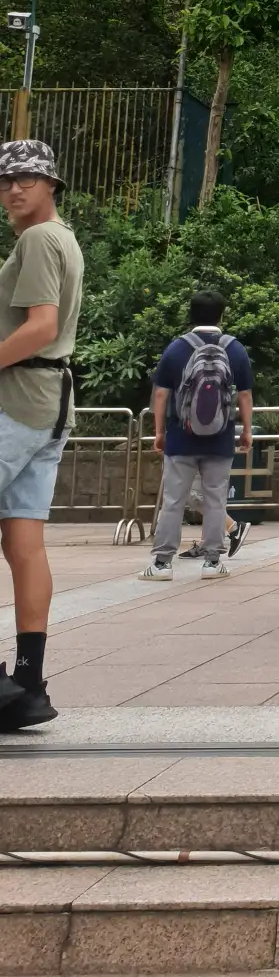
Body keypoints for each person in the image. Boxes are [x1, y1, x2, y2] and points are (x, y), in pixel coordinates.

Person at [0, 140, 84, 729]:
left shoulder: (37, 239)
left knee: (22, 543)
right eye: (5, 181)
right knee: (23, 543)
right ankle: (29, 684)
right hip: (50, 404)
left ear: (52, 184)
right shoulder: (64, 237)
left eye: (26, 179)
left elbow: (41, 326)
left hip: (17, 400)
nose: (12, 189)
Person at [137, 290, 253, 583]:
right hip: (220, 438)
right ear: (222, 315)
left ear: (190, 315)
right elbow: (244, 394)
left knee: (173, 500)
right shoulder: (234, 349)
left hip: (181, 438)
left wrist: (160, 432)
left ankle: (162, 564)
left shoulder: (177, 348)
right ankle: (213, 562)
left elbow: (161, 394)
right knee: (216, 500)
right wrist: (247, 431)